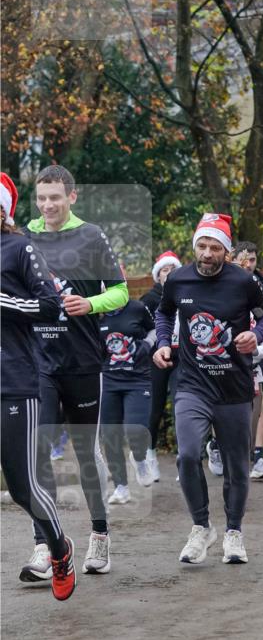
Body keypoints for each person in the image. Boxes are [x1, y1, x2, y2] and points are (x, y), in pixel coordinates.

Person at [21, 164, 128, 578]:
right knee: (37, 455)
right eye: (42, 198)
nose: (48, 205)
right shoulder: (22, 237)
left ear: (72, 197)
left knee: (86, 455)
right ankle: (44, 548)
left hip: (83, 361)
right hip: (37, 363)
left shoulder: (91, 236)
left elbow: (119, 291)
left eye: (55, 197)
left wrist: (91, 304)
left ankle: (99, 535)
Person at [154, 213, 263, 565]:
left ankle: (234, 532)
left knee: (238, 467)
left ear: (226, 251)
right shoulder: (177, 280)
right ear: (195, 246)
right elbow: (163, 314)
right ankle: (201, 527)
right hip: (193, 385)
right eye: (202, 246)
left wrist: (257, 334)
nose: (207, 254)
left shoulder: (245, 281)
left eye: (215, 248)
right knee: (188, 454)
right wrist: (163, 342)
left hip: (235, 388)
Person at [0, 172, 76, 600]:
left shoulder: (18, 248)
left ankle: (59, 548)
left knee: (22, 486)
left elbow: (50, 306)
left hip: (14, 382)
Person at [100, 297, 156, 503]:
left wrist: (147, 345)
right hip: (108, 380)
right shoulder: (96, 310)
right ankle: (121, 488)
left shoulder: (137, 308)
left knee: (136, 429)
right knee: (110, 435)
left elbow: (155, 329)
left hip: (138, 379)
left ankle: (140, 458)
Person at [234, 241, 263, 479]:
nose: (249, 264)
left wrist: (258, 347)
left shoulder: (262, 286)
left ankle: (256, 454)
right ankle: (218, 446)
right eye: (244, 259)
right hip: (222, 359)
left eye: (253, 259)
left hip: (254, 353)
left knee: (258, 401)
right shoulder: (222, 282)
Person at [141, 250, 182, 481]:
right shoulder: (148, 300)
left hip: (181, 358)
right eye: (165, 270)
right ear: (158, 275)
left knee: (181, 406)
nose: (168, 273)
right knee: (154, 408)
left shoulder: (187, 294)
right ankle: (150, 455)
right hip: (156, 359)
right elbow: (141, 329)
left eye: (172, 269)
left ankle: (183, 459)